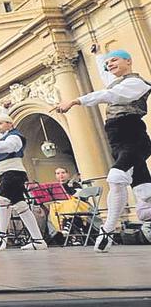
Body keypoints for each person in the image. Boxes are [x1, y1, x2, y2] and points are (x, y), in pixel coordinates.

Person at [55, 48, 151, 252]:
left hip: (132, 136)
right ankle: (140, 224)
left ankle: (106, 231)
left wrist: (75, 101)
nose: (110, 64)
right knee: (140, 186)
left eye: (114, 60)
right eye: (108, 62)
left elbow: (111, 94)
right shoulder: (115, 80)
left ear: (129, 61)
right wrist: (100, 54)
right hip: (117, 139)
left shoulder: (137, 83)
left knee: (115, 177)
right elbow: (104, 73)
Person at [0, 114, 47, 250]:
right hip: (7, 174)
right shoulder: (4, 136)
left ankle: (2, 237)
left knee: (1, 199)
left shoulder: (14, 137)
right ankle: (38, 241)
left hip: (12, 173)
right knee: (21, 206)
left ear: (10, 124)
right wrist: (4, 109)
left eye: (0, 123)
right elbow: (1, 140)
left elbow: (8, 147)